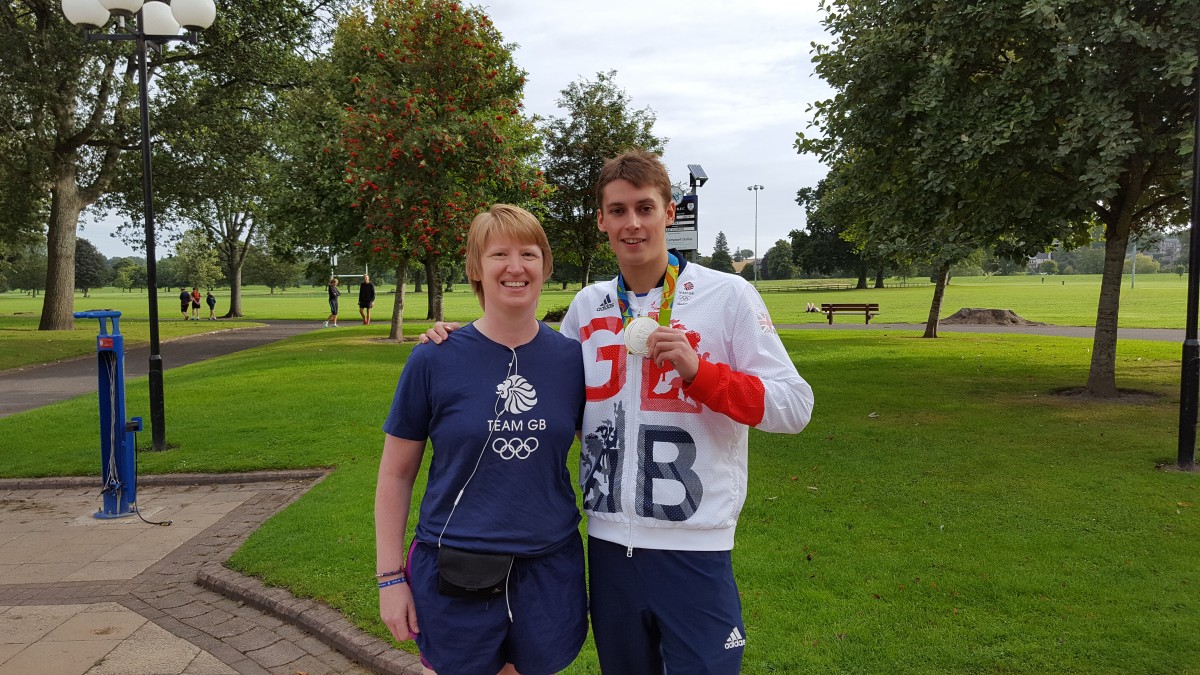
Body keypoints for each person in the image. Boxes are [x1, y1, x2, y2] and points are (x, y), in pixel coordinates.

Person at [425, 150, 814, 674]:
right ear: (603, 220)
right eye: (618, 210)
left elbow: (795, 407)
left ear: (669, 212)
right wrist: (456, 342)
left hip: (696, 546)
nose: (632, 223)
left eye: (645, 207)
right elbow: (531, 377)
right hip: (608, 546)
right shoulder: (588, 307)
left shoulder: (728, 296)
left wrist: (703, 375)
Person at [375, 204, 588, 675]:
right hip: (456, 567)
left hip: (549, 565)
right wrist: (390, 578)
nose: (516, 267)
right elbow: (395, 474)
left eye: (528, 253)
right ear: (476, 267)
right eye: (499, 254)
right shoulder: (433, 359)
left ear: (546, 265)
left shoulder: (572, 361)